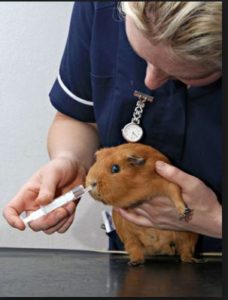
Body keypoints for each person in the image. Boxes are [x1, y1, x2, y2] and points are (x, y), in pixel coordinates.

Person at [3, 1, 222, 253]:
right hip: (134, 255)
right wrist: (71, 159)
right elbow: (78, 117)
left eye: (185, 74)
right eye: (140, 55)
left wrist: (216, 222)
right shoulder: (99, 7)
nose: (150, 81)